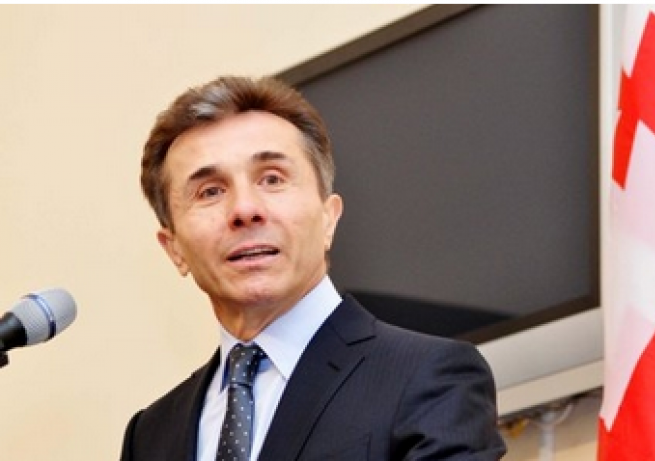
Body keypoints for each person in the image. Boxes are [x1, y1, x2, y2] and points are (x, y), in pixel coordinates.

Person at [120, 75, 507, 460]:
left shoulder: (429, 377)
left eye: (272, 179)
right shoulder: (149, 436)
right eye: (210, 191)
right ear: (174, 249)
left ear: (328, 218)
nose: (245, 209)